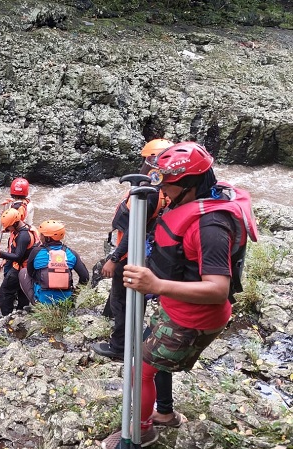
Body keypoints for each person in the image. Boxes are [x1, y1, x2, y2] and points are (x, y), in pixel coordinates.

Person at [100, 142, 258, 448]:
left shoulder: (211, 227)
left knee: (138, 370)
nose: (165, 193)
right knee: (150, 357)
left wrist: (155, 285)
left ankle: (142, 431)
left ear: (190, 184)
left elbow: (217, 290)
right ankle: (166, 414)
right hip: (176, 307)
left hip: (194, 317)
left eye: (169, 187)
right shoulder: (190, 198)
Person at [92, 138, 173, 360]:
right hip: (143, 254)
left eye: (147, 160)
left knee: (122, 302)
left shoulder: (148, 194)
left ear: (153, 161)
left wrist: (114, 258)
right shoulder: (164, 191)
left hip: (129, 257)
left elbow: (133, 230)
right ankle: (129, 337)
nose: (143, 165)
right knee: (125, 300)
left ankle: (119, 347)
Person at [19, 220, 89, 305]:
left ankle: (36, 302)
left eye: (42, 235)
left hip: (43, 301)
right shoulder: (72, 253)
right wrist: (75, 293)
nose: (40, 236)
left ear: (48, 238)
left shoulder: (36, 251)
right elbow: (85, 277)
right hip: (66, 301)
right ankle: (68, 298)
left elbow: (30, 273)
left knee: (23, 272)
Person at [0, 208, 38, 316]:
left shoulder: (23, 236)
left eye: (9, 227)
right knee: (23, 292)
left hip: (20, 269)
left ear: (16, 223)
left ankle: (6, 315)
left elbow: (18, 256)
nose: (7, 229)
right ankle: (20, 313)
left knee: (5, 291)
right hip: (28, 270)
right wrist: (8, 230)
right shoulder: (24, 227)